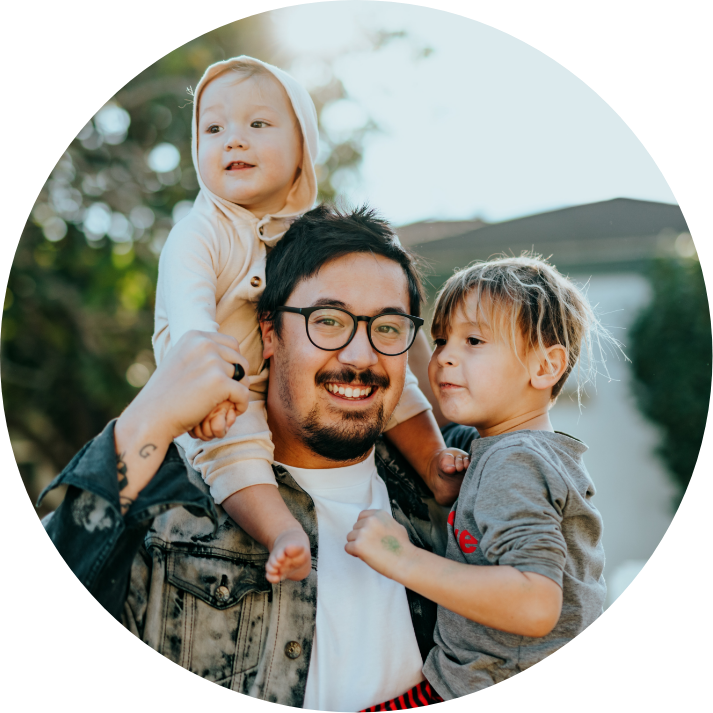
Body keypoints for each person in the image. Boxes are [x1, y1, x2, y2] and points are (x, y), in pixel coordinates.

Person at [40, 205, 465, 710]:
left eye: (389, 328)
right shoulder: (168, 510)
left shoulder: (464, 492)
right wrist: (149, 416)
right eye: (327, 322)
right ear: (269, 333)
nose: (360, 357)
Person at [152, 56, 466, 585]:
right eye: (213, 128)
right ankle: (281, 531)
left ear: (303, 148)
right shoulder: (199, 233)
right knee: (235, 452)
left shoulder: (309, 236)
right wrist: (209, 393)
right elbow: (191, 326)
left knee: (396, 379)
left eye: (257, 124)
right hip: (219, 391)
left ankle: (435, 464)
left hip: (262, 379)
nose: (233, 140)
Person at [347, 254, 615, 700]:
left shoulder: (514, 461)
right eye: (439, 340)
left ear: (545, 367)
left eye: (473, 340)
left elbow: (534, 604)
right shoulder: (516, 453)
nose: (445, 357)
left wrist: (399, 556)